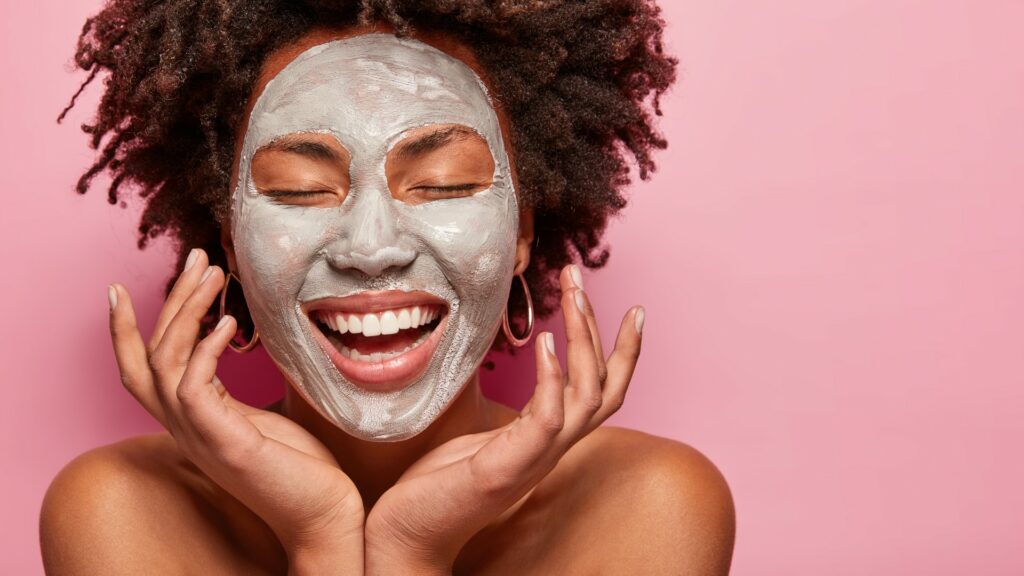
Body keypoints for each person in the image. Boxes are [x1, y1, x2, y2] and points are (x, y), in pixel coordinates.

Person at [41, 1, 736, 574]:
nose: (371, 249)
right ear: (230, 242)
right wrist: (321, 537)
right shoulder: (117, 509)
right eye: (300, 190)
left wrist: (411, 550)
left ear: (521, 228)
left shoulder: (651, 504)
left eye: (444, 182)